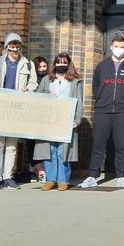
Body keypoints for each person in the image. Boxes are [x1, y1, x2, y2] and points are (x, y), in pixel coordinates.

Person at [79, 35, 124, 189]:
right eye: (116, 46)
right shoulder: (102, 66)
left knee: (121, 145)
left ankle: (121, 176)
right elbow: (96, 86)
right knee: (98, 145)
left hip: (122, 112)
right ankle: (93, 175)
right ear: (111, 47)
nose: (119, 49)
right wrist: (101, 101)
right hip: (102, 111)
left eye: (121, 47)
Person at [0, 33, 38, 191]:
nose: (14, 48)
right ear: (6, 46)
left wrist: (27, 88)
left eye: (17, 45)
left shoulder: (27, 64)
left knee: (12, 146)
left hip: (17, 107)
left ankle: (8, 177)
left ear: (20, 46)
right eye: (11, 45)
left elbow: (33, 82)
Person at [33, 53, 83, 191]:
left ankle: (63, 180)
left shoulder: (75, 81)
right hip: (49, 119)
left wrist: (77, 120)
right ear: (55, 64)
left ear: (69, 64)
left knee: (63, 151)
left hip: (66, 119)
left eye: (64, 62)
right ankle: (50, 180)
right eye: (59, 62)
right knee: (49, 150)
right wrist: (47, 96)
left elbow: (79, 102)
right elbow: (38, 96)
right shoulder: (47, 80)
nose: (61, 65)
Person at [28, 56, 49, 182]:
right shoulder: (31, 80)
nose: (42, 69)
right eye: (39, 67)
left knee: (42, 145)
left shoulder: (49, 79)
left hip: (45, 118)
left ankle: (41, 170)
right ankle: (35, 170)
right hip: (32, 117)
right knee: (31, 145)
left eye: (44, 66)